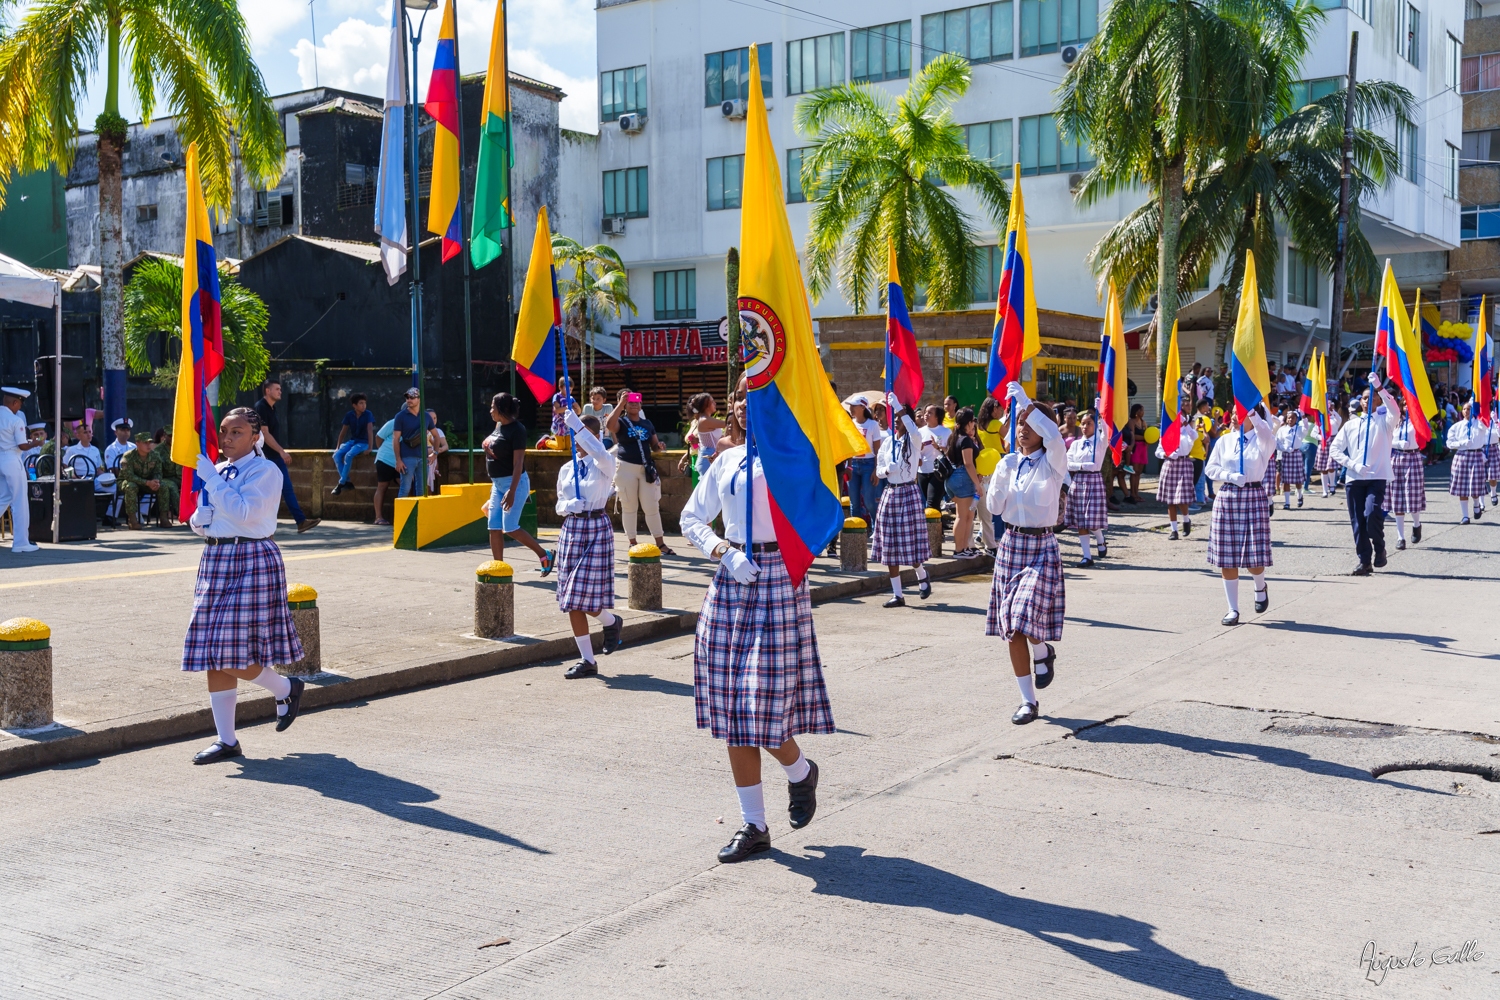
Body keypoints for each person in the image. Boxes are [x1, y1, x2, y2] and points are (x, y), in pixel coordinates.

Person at [679, 381, 831, 864]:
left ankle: (800, 770)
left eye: (757, 392)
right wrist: (722, 550)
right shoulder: (726, 460)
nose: (743, 402)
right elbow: (691, 517)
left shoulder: (795, 455)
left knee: (759, 702)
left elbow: (819, 511)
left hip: (780, 577)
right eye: (740, 394)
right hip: (732, 580)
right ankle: (755, 824)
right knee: (733, 710)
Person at [182, 406, 307, 764]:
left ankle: (286, 687)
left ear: (256, 437)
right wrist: (198, 522)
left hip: (251, 559)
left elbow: (247, 514)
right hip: (217, 558)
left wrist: (213, 482)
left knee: (229, 650)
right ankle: (227, 740)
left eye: (236, 432)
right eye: (224, 431)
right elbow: (218, 515)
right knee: (211, 651)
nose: (227, 439)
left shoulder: (267, 471)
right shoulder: (220, 470)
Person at [985, 383, 1067, 726]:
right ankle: (1028, 701)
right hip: (1011, 546)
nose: (1023, 430)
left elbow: (1055, 437)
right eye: (1020, 424)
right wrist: (998, 480)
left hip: (1040, 546)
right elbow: (994, 507)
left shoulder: (1054, 463)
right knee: (1012, 627)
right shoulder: (1009, 463)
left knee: (1022, 616)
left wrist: (1025, 402)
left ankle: (1042, 650)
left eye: (1030, 426)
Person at [552, 410, 625, 679]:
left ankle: (610, 622)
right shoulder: (566, 468)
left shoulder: (604, 463)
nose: (577, 440)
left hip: (596, 527)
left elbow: (601, 453)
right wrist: (569, 505)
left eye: (583, 435)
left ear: (596, 437)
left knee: (580, 595)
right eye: (574, 435)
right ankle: (588, 659)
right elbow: (559, 504)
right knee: (572, 600)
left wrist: (578, 426)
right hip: (572, 528)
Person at [1204, 403, 1276, 625]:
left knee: (1254, 555)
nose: (1234, 417)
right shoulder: (1225, 440)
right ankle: (1232, 609)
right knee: (1227, 555)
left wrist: (1252, 411)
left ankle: (1259, 585)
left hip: (1254, 495)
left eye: (1240, 413)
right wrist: (1229, 475)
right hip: (1228, 495)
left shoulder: (1263, 440)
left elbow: (1265, 433)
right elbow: (1210, 468)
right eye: (1234, 413)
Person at [1329, 374, 1400, 574]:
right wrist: (1351, 464)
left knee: (1372, 514)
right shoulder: (1351, 425)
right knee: (1358, 522)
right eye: (1365, 398)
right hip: (1355, 478)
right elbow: (1334, 450)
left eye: (1373, 397)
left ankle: (1380, 548)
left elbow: (1394, 408)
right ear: (1360, 402)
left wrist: (1379, 386)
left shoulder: (1386, 422)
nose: (1368, 400)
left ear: (1379, 401)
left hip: (1376, 477)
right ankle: (1364, 560)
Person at [480, 392, 553, 573]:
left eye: (492, 407)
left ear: (502, 410)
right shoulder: (498, 426)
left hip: (514, 483)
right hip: (497, 485)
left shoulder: (517, 429)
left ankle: (545, 555)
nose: (490, 411)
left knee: (510, 527)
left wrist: (511, 491)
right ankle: (500, 568)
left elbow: (518, 463)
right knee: (494, 527)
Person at [871, 394, 932, 607]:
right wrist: (888, 470)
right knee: (891, 545)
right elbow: (878, 471)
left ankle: (922, 574)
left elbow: (912, 429)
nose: (896, 419)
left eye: (900, 416)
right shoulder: (888, 443)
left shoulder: (915, 440)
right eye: (894, 416)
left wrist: (898, 407)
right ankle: (898, 594)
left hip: (908, 492)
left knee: (910, 544)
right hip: (891, 492)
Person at [606, 389, 674, 554]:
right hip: (625, 468)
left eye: (637, 402)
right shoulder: (621, 422)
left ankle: (660, 543)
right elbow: (609, 425)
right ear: (625, 405)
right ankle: (632, 542)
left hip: (646, 469)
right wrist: (621, 403)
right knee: (629, 506)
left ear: (641, 404)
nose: (634, 404)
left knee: (651, 506)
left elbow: (655, 446)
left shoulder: (647, 423)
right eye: (630, 402)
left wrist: (660, 447)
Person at [253, 379, 320, 534]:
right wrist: (281, 451)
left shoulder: (272, 408)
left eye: (280, 389)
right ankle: (261, 524)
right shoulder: (261, 407)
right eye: (277, 389)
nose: (280, 392)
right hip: (267, 458)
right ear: (268, 391)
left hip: (273, 457)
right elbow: (265, 433)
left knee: (284, 489)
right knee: (268, 491)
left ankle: (300, 521)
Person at [1064, 404, 1109, 567]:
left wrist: (1101, 413)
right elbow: (1067, 462)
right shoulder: (1076, 444)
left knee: (1092, 519)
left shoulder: (1100, 441)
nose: (1084, 427)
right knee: (1081, 521)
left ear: (1095, 425)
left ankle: (1100, 539)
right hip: (1078, 481)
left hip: (1094, 480)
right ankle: (1087, 556)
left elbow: (1107, 431)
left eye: (1088, 423)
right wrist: (1081, 466)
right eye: (1082, 423)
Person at [1383, 393, 1426, 550]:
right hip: (1395, 458)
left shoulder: (1418, 422)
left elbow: (1424, 436)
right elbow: (1387, 438)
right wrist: (1398, 443)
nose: (1407, 407)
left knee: (1412, 494)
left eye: (1410, 404)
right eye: (1404, 404)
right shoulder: (1396, 423)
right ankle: (1400, 537)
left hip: (1412, 458)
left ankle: (1416, 524)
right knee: (1397, 497)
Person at [0, 386, 39, 552]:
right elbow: (23, 445)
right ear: (15, 402)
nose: (20, 408)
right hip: (11, 459)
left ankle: (21, 541)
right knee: (20, 501)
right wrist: (37, 443)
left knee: (3, 497)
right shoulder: (16, 420)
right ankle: (21, 542)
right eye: (20, 404)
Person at [1155, 399, 1198, 539]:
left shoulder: (1186, 431)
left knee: (1180, 498)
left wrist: (1185, 424)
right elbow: (1158, 451)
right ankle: (1174, 530)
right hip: (1169, 465)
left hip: (1184, 464)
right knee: (1170, 500)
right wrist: (1166, 454)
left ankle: (1186, 520)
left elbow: (1195, 436)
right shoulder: (1166, 433)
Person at [118, 434, 179, 528]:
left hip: (148, 483)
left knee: (163, 486)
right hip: (128, 481)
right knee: (131, 487)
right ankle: (133, 520)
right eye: (145, 443)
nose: (148, 445)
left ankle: (163, 517)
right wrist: (147, 483)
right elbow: (129, 476)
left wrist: (156, 481)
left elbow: (158, 472)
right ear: (137, 444)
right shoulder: (128, 456)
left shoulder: (155, 455)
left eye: (150, 442)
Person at [945, 407, 982, 557]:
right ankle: (959, 549)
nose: (974, 423)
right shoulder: (965, 439)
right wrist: (978, 484)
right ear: (968, 422)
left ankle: (964, 547)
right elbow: (968, 463)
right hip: (962, 477)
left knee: (967, 516)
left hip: (953, 477)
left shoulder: (954, 437)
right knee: (963, 516)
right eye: (972, 420)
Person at [1446, 400, 1489, 525]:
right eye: (1464, 409)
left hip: (1476, 455)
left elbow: (1485, 425)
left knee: (1475, 487)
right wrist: (1462, 444)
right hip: (1462, 456)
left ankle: (1476, 505)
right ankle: (1465, 516)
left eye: (1469, 409)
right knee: (1462, 487)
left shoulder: (1480, 424)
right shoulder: (1456, 426)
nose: (1466, 411)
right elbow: (1449, 443)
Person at [845, 396, 884, 524]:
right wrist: (849, 467)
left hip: (869, 464)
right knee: (854, 502)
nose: (851, 408)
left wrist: (876, 469)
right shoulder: (850, 423)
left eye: (854, 406)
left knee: (869, 501)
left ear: (862, 407)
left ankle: (876, 528)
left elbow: (877, 449)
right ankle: (857, 533)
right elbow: (848, 447)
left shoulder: (873, 424)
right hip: (853, 465)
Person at [974, 396, 1005, 553]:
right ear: (993, 409)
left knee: (987, 502)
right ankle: (997, 536)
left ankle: (982, 533)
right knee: (999, 501)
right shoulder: (996, 423)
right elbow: (1008, 435)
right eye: (1000, 408)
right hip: (998, 461)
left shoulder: (979, 425)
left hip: (985, 465)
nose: (1002, 411)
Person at [390, 387, 433, 500]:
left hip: (423, 458)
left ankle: (421, 517)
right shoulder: (400, 416)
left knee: (422, 491)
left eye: (412, 397)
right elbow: (395, 439)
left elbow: (436, 436)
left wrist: (436, 453)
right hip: (407, 457)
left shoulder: (426, 416)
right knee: (405, 489)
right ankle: (401, 517)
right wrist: (398, 460)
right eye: (407, 397)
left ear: (419, 399)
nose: (409, 400)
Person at [330, 393, 375, 494]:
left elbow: (370, 431)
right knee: (336, 455)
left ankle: (341, 483)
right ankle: (347, 482)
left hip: (363, 442)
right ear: (354, 405)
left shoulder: (368, 414)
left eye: (365, 403)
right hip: (353, 441)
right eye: (361, 403)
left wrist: (370, 447)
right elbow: (343, 432)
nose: (364, 405)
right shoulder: (349, 415)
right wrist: (337, 447)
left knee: (349, 455)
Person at [681, 393, 725, 481]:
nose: (715, 403)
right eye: (712, 402)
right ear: (706, 405)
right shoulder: (704, 420)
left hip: (710, 456)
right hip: (707, 459)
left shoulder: (706, 419)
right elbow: (727, 424)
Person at [916, 404, 951, 513]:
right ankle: (936, 528)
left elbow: (951, 453)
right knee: (930, 503)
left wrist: (939, 448)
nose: (926, 415)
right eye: (925, 412)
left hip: (938, 472)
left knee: (932, 503)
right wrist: (918, 452)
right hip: (922, 471)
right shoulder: (919, 432)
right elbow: (914, 451)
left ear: (937, 417)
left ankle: (933, 529)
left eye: (930, 413)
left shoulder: (946, 432)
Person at [1274, 410, 1306, 510]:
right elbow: (1277, 443)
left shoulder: (1299, 429)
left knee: (1298, 479)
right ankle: (1287, 502)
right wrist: (1284, 448)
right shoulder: (1281, 430)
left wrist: (1304, 416)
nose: (1290, 419)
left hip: (1296, 454)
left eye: (1292, 418)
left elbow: (1306, 428)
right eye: (1288, 418)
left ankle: (1300, 496)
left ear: (1296, 419)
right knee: (1286, 480)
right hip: (1286, 455)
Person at [371, 417, 398, 526]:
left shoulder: (413, 423)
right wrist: (382, 449)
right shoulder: (393, 422)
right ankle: (378, 517)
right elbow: (378, 437)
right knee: (382, 486)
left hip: (401, 461)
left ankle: (404, 515)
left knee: (406, 485)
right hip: (385, 459)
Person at [1315, 401, 1344, 496]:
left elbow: (1339, 420)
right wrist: (1321, 438)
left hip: (1333, 442)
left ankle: (1332, 485)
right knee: (1323, 468)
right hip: (1323, 443)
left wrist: (1333, 412)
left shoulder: (1334, 418)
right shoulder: (1320, 420)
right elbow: (1313, 433)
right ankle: (1324, 490)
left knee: (1331, 466)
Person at [1191, 397, 1215, 507]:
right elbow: (1207, 435)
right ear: (1203, 406)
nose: (1208, 408)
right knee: (1199, 476)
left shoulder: (1195, 417)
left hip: (1199, 448)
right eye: (1207, 405)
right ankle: (1199, 498)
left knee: (1200, 475)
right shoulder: (1200, 418)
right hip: (1200, 449)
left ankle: (1201, 496)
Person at [426, 409, 448, 493]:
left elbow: (445, 446)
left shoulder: (438, 431)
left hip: (432, 460)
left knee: (429, 484)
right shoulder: (421, 431)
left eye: (435, 418)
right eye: (431, 418)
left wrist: (438, 450)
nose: (433, 420)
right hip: (420, 460)